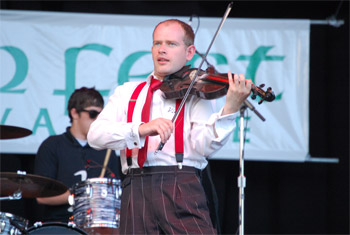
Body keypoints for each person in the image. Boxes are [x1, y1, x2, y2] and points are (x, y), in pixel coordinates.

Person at [87, 19, 252, 234]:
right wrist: (141, 129)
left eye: (171, 44)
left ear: (189, 52)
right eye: (157, 43)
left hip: (181, 184)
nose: (162, 50)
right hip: (135, 187)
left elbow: (205, 146)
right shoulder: (126, 92)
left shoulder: (196, 93)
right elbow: (95, 136)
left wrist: (230, 108)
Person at [34, 87, 123, 223]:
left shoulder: (106, 150)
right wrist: (82, 194)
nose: (98, 120)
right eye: (93, 114)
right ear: (74, 113)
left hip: (96, 225)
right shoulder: (52, 146)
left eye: (101, 116)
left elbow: (115, 196)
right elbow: (41, 197)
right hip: (60, 225)